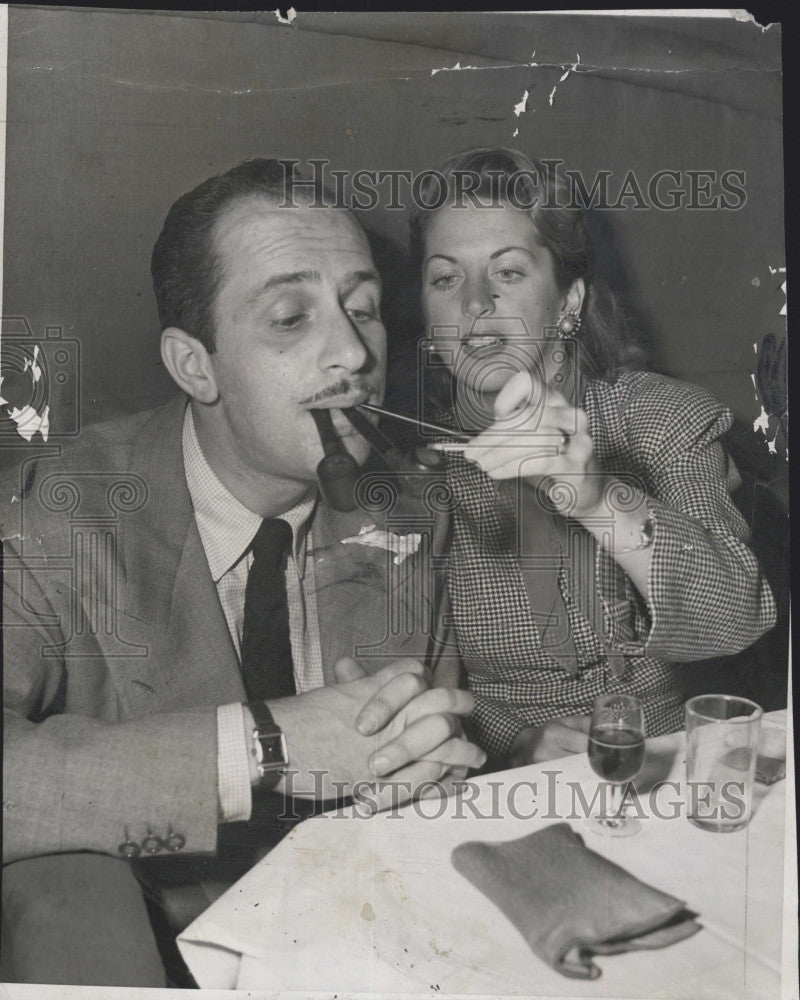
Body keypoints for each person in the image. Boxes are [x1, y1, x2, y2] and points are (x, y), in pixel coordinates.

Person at [1, 158, 484, 986]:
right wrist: (261, 749)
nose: (354, 352)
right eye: (292, 318)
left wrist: (427, 768)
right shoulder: (61, 512)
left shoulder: (407, 511)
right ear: (196, 366)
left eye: (362, 308)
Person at [408, 146, 776, 768]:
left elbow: (734, 617)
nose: (473, 303)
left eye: (508, 272)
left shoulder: (663, 419)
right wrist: (514, 746)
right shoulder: (415, 471)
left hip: (669, 764)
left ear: (570, 301)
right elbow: (421, 688)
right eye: (446, 278)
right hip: (503, 791)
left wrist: (601, 498)